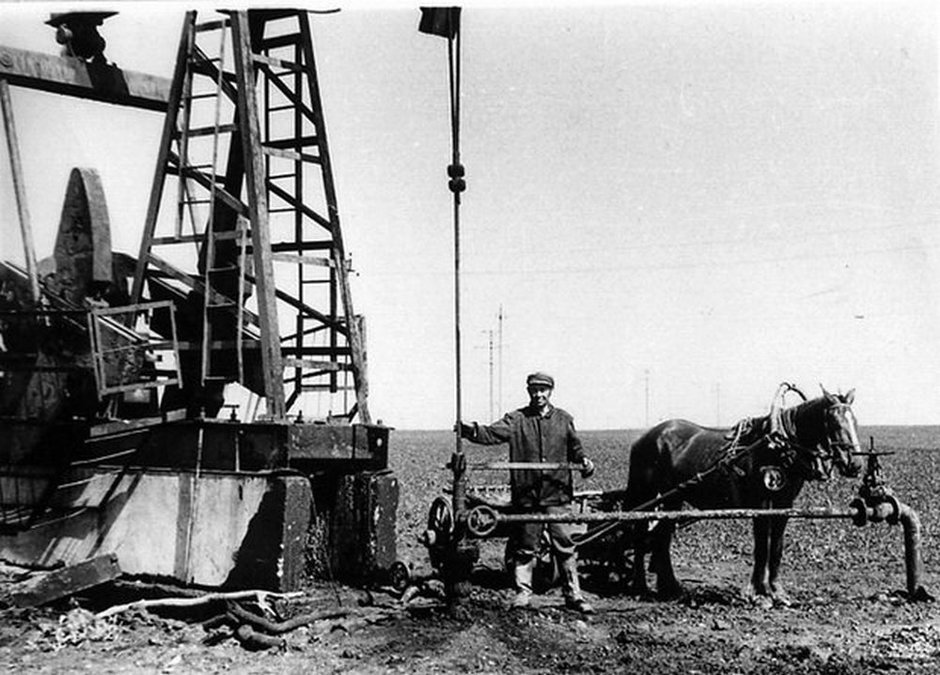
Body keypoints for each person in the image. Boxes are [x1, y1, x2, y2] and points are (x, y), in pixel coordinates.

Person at [458, 371, 596, 613]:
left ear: (550, 391)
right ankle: (523, 593)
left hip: (557, 493)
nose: (538, 394)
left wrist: (584, 460)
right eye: (534, 390)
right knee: (525, 546)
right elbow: (491, 433)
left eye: (543, 390)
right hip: (528, 496)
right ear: (529, 392)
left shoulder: (564, 419)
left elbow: (575, 448)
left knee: (565, 545)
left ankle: (574, 595)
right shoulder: (517, 420)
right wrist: (470, 430)